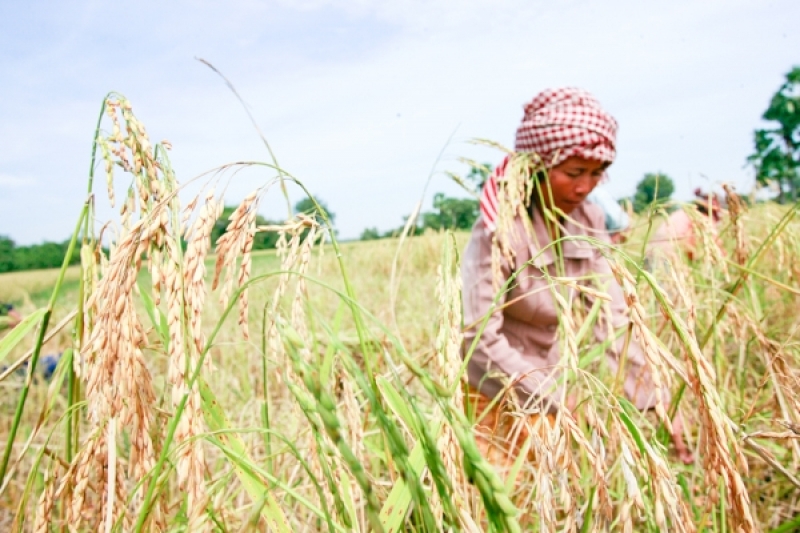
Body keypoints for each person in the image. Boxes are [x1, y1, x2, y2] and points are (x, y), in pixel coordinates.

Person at [461, 87, 693, 468]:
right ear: (536, 165)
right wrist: (554, 398)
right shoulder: (496, 230)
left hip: (551, 381)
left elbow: (613, 319)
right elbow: (478, 337)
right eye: (573, 173)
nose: (585, 187)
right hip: (492, 386)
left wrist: (657, 401)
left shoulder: (589, 221)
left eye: (597, 174)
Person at [648, 188, 723, 263]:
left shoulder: (681, 212)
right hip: (667, 256)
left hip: (650, 252)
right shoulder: (702, 219)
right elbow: (715, 245)